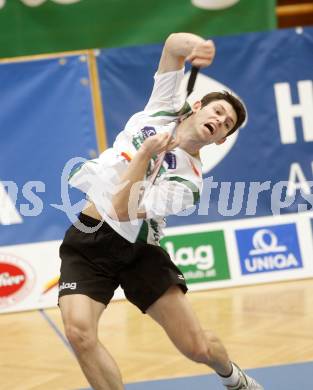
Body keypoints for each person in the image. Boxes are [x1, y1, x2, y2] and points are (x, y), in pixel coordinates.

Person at [58, 32, 263, 390]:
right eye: (218, 110)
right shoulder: (163, 107)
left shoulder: (189, 184)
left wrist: (143, 156)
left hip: (139, 252)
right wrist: (196, 45)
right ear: (198, 107)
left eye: (227, 124)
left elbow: (124, 210)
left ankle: (233, 377)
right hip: (91, 235)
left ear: (221, 140)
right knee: (79, 333)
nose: (220, 120)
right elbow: (172, 46)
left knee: (196, 347)